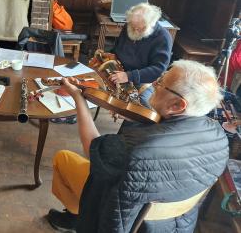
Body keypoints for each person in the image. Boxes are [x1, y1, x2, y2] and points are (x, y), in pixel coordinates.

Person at [46, 59, 229, 233]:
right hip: (172, 225)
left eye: (161, 83)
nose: (154, 85)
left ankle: (76, 215)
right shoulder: (219, 137)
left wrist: (78, 98)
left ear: (177, 105)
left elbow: (93, 147)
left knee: (63, 158)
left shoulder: (137, 151)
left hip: (117, 220)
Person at [109, 2, 173, 107]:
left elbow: (158, 69)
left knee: (143, 103)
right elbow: (117, 49)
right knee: (91, 82)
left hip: (143, 79)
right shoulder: (129, 26)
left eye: (140, 29)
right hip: (119, 70)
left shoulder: (163, 37)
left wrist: (129, 76)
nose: (135, 30)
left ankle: (130, 121)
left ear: (152, 24)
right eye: (133, 26)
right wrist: (109, 57)